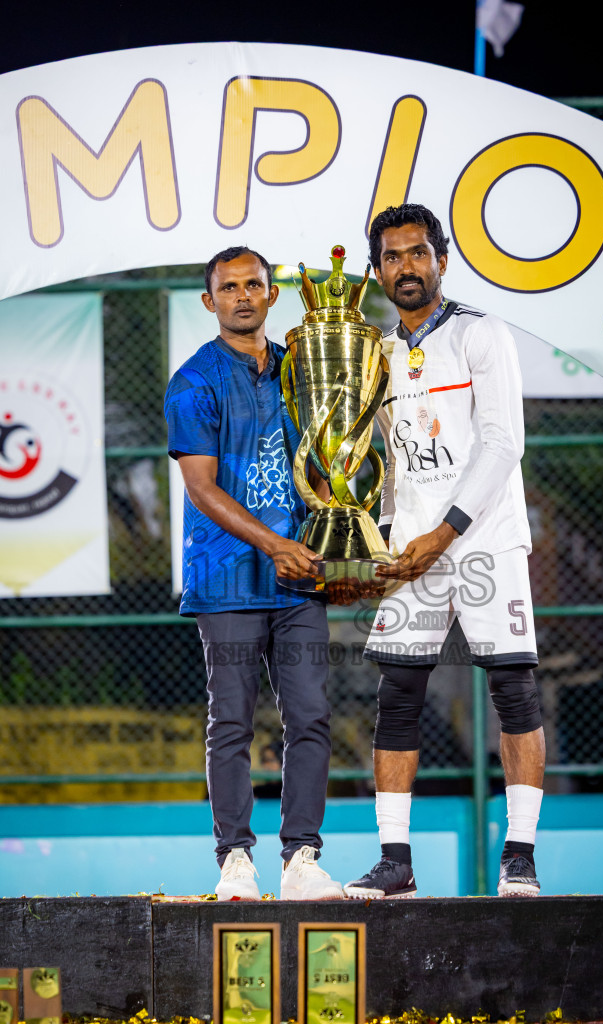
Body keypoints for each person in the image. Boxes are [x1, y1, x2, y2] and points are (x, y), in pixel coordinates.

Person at [339, 204, 545, 899]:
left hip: (482, 540)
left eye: (417, 253)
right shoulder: (378, 354)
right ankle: (394, 861)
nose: (406, 266)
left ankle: (519, 856)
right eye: (392, 257)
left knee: (513, 688)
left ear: (441, 259)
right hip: (412, 549)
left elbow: (501, 444)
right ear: (375, 273)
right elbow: (383, 463)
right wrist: (379, 541)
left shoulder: (480, 335)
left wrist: (443, 532)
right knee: (397, 695)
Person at [164, 245, 343, 901]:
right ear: (210, 302)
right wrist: (275, 544)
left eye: (255, 285)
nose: (243, 295)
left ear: (272, 296)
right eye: (229, 287)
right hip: (228, 579)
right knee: (232, 722)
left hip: (297, 580)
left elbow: (323, 463)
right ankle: (234, 859)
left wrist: (341, 519)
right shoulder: (193, 382)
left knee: (310, 717)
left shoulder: (303, 373)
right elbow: (202, 490)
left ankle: (302, 858)